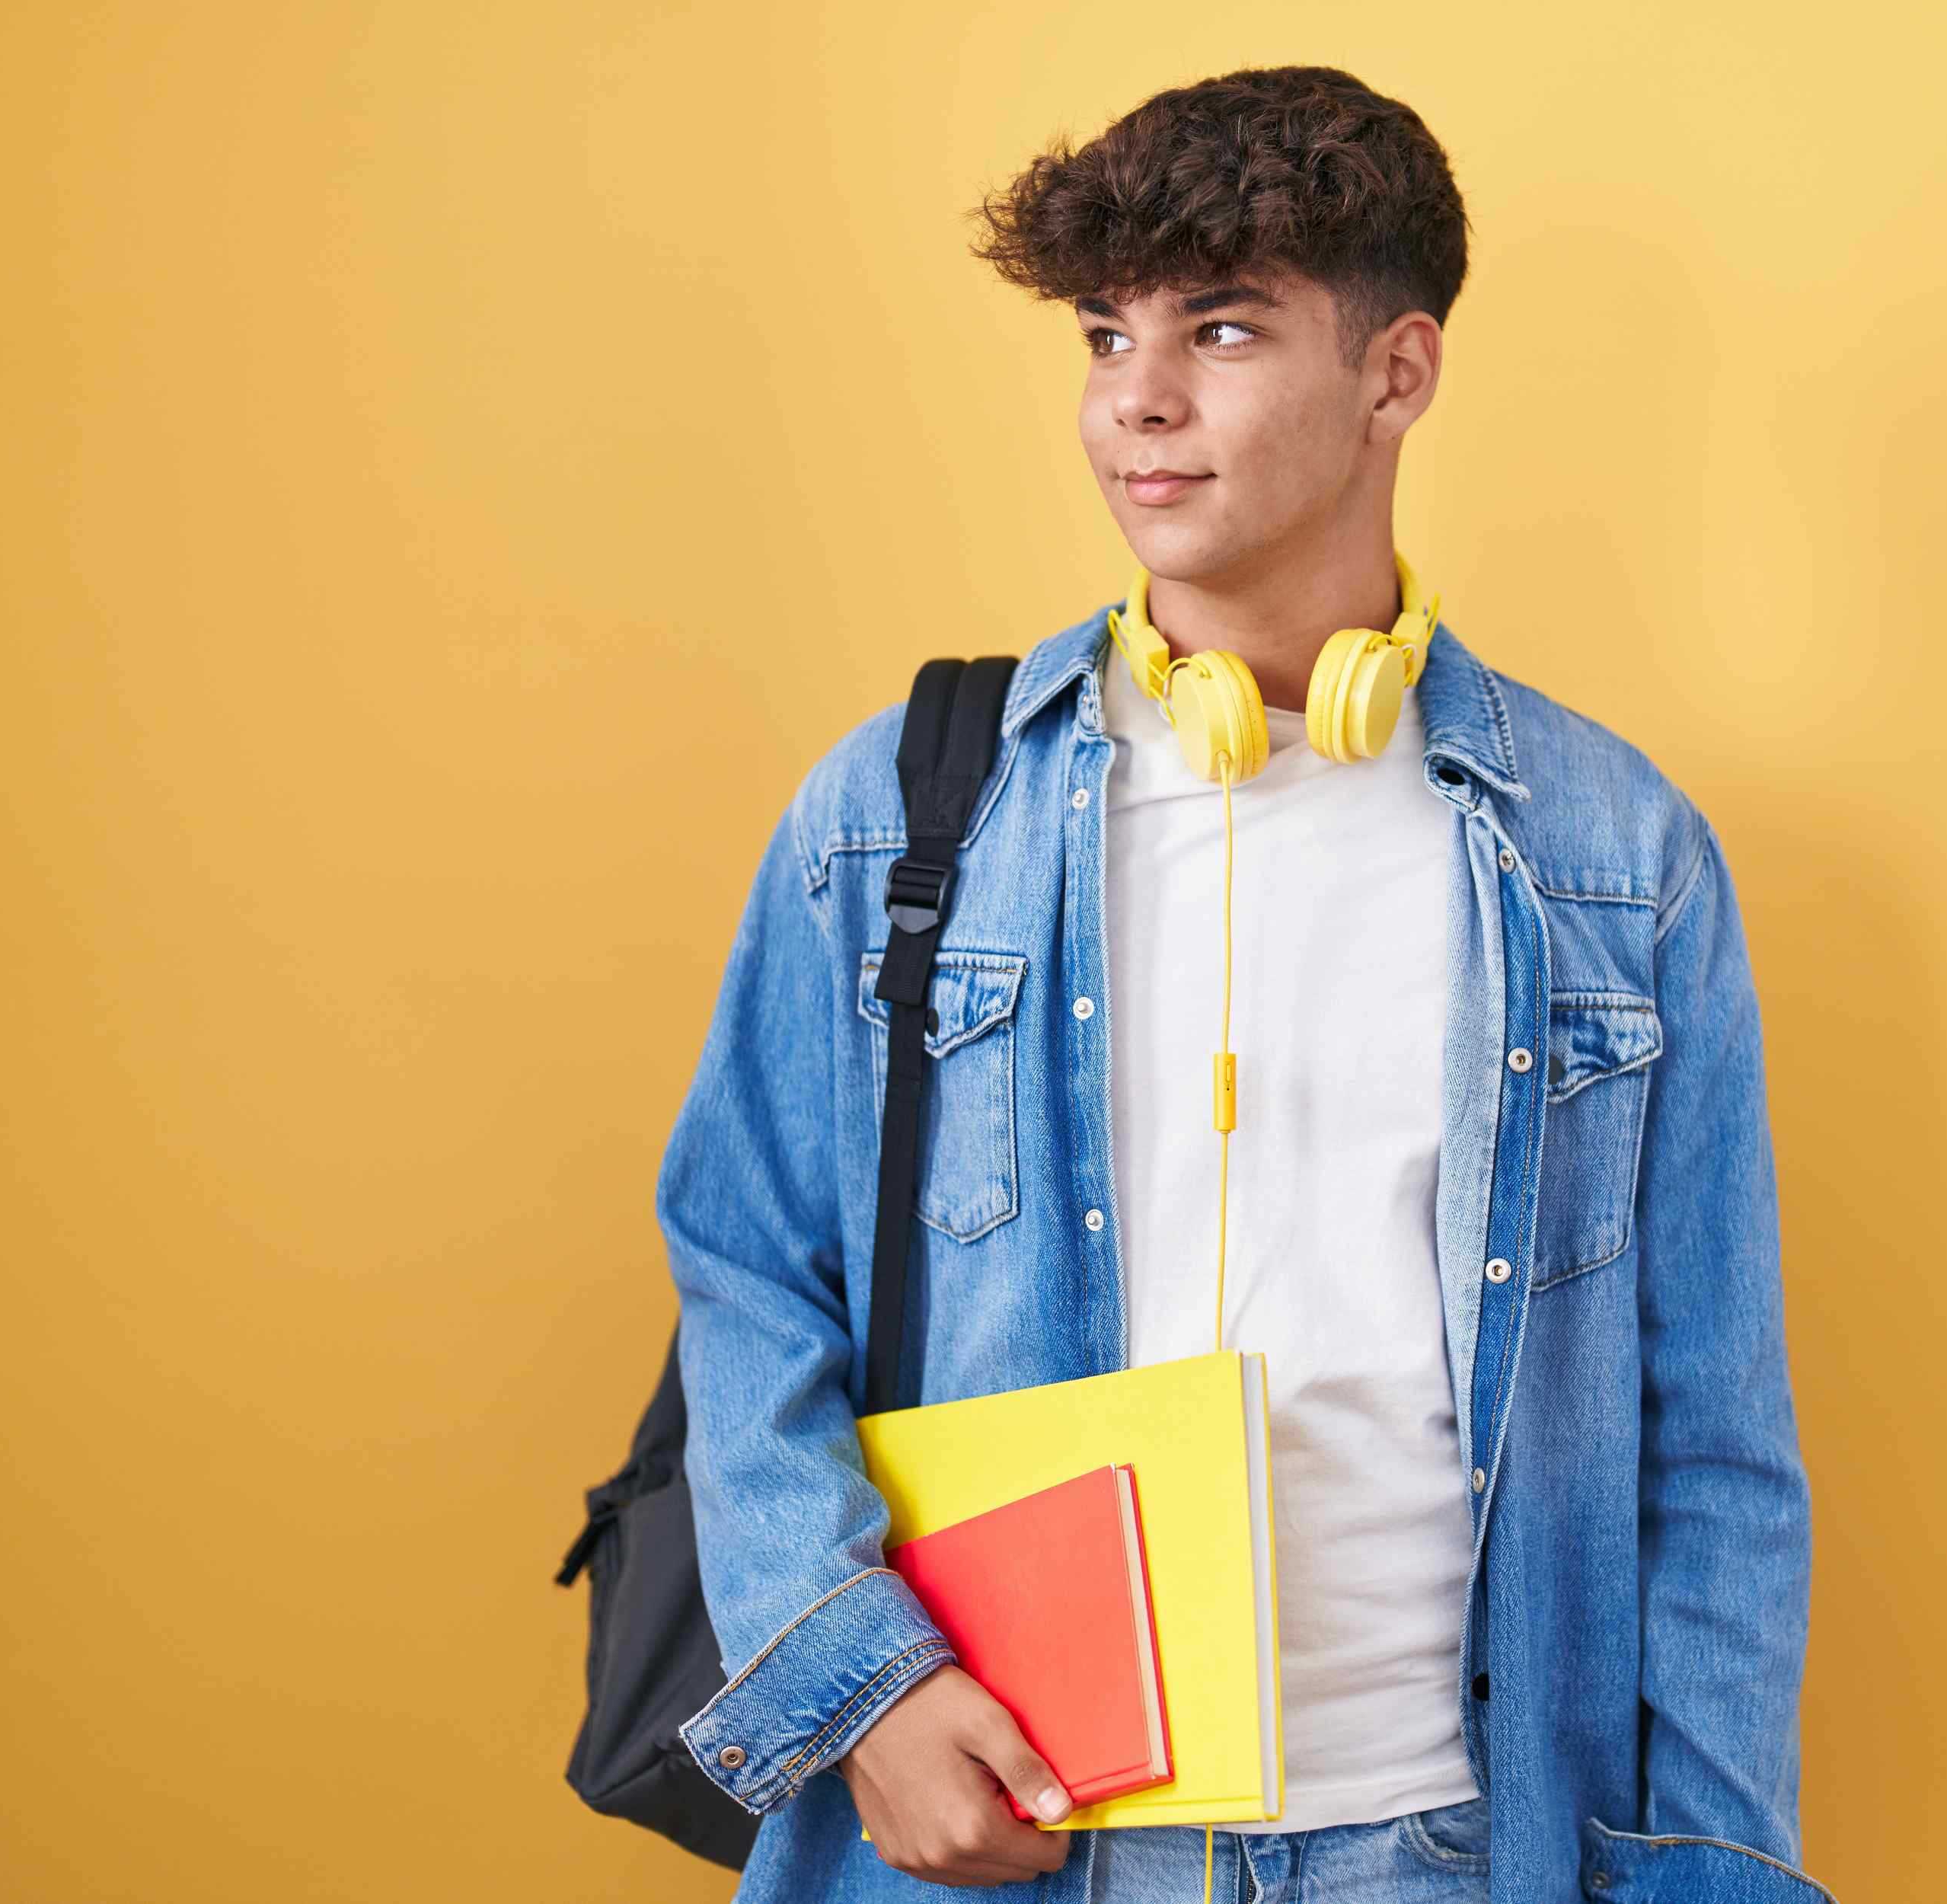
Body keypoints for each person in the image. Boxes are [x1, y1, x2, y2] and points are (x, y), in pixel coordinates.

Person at [656, 64, 1823, 1904]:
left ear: (1397, 373)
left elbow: (1719, 1455)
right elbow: (745, 1265)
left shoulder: (1617, 856)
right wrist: (860, 1689)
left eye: (1219, 328)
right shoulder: (898, 813)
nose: (1138, 396)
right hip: (1012, 1835)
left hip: (1441, 1842)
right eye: (1107, 334)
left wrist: (1713, 1870)